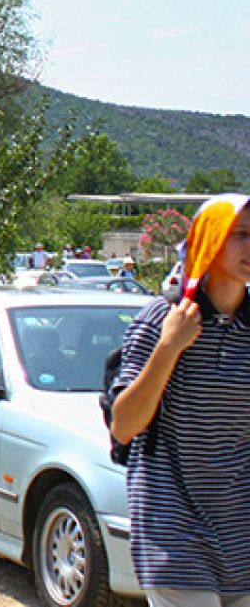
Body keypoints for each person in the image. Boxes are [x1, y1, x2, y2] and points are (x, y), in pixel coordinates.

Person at [110, 194, 250, 606]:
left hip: (240, 534)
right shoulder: (161, 320)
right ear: (210, 241)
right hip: (175, 532)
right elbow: (125, 425)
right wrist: (169, 348)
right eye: (241, 235)